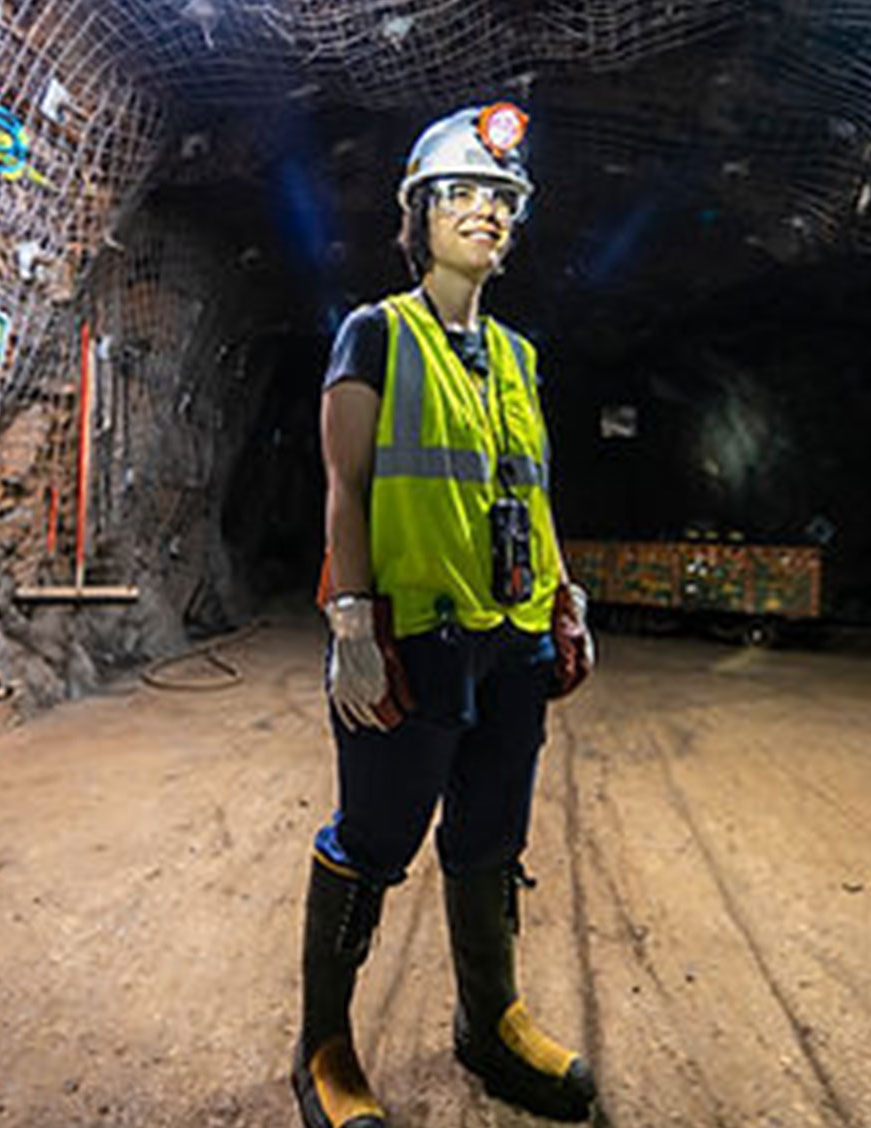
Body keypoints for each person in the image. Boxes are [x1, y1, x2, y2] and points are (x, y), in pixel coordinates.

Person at [292, 103, 597, 1128]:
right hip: (412, 639)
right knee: (376, 837)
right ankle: (324, 1050)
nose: (485, 213)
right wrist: (349, 623)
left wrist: (562, 597)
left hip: (507, 641)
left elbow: (531, 487)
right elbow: (346, 484)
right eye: (463, 194)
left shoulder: (516, 354)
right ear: (417, 215)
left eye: (501, 200)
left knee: (487, 835)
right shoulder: (376, 333)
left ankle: (487, 1020)